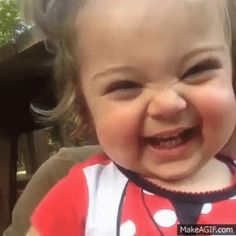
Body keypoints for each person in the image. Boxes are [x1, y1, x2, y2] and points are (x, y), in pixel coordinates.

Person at [25, 0, 236, 235]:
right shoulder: (83, 196)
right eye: (125, 85)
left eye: (197, 69)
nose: (168, 104)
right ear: (85, 110)